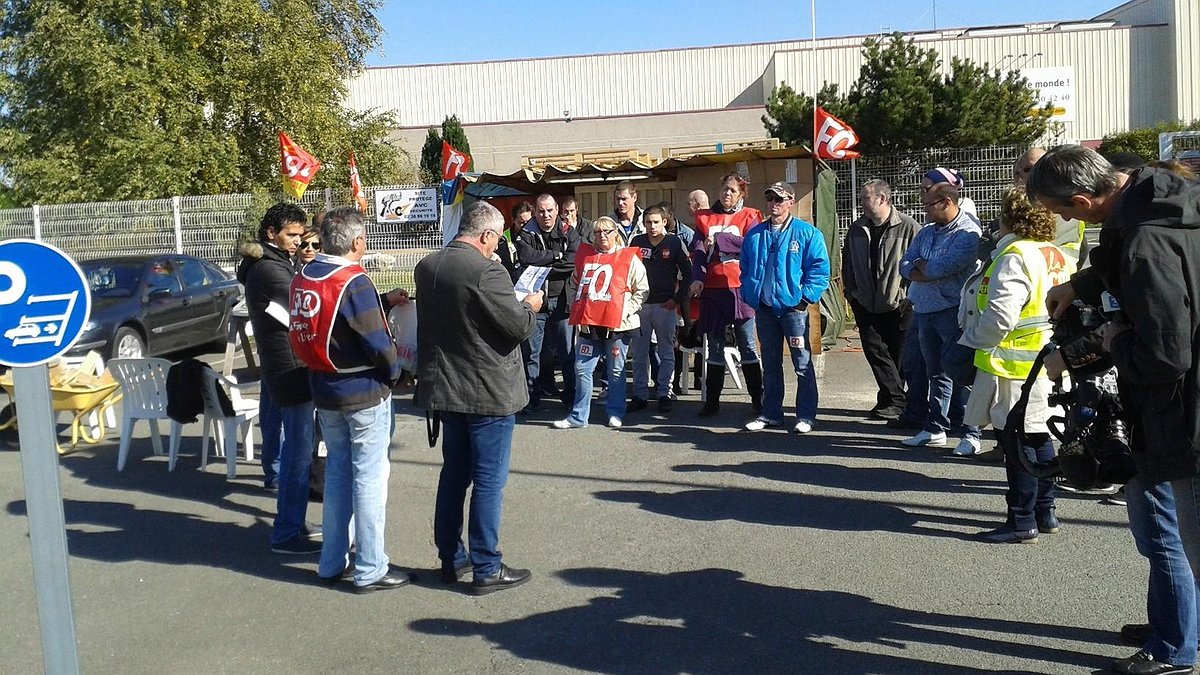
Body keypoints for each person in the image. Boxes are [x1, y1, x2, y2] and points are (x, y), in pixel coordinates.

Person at [1029, 145, 1200, 675]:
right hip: (1174, 411)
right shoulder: (1157, 203)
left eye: (1065, 212)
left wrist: (1113, 336)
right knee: (1168, 532)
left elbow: (1166, 354)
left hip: (1182, 416)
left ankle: (1177, 646)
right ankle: (1174, 630)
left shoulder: (1145, 242)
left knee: (1179, 538)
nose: (1063, 221)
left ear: (1085, 197)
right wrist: (1079, 284)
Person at [415, 201, 542, 596]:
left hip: (446, 389)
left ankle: (450, 557)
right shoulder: (487, 269)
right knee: (488, 481)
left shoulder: (427, 266)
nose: (497, 246)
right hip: (487, 392)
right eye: (496, 239)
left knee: (454, 475)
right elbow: (517, 326)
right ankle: (487, 566)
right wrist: (529, 305)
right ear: (487, 235)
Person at [289, 207, 411, 593]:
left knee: (339, 476)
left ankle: (331, 561)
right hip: (362, 391)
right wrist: (395, 373)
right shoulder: (353, 281)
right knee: (370, 480)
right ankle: (371, 567)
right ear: (358, 242)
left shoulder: (304, 275)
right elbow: (378, 342)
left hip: (323, 388)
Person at [958, 187, 1075, 542]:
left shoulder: (1014, 254)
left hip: (1016, 366)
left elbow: (1000, 314)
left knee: (1018, 446)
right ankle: (1045, 511)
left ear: (1009, 216)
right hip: (1051, 361)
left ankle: (1021, 520)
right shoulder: (1056, 253)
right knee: (1040, 438)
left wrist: (971, 339)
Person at [235, 203, 319, 554]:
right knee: (297, 456)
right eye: (292, 235)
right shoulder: (270, 269)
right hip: (289, 368)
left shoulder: (270, 264)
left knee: (293, 450)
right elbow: (307, 301)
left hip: (283, 366)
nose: (298, 242)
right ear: (271, 233)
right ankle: (286, 532)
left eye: (301, 235)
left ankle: (293, 522)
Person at [898, 182, 983, 455]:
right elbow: (905, 263)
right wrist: (923, 268)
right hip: (924, 310)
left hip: (953, 311)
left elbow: (940, 267)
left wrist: (923, 268)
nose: (924, 210)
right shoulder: (925, 232)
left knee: (962, 372)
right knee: (935, 372)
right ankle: (936, 427)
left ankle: (971, 433)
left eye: (929, 205)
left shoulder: (967, 233)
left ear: (947, 202)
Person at [740, 181, 830, 434]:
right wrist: (750, 294)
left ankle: (806, 415)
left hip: (794, 311)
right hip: (765, 310)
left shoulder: (807, 233)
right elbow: (745, 268)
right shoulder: (755, 234)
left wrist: (804, 299)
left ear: (791, 201)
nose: (774, 204)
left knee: (802, 364)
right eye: (770, 198)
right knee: (769, 362)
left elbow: (820, 270)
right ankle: (770, 414)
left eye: (779, 199)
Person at [554, 216, 649, 429]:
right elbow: (578, 284)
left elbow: (641, 290)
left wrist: (627, 310)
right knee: (582, 368)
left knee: (616, 370)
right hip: (590, 324)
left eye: (607, 231)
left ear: (616, 233)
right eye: (598, 232)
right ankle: (578, 416)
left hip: (618, 325)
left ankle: (615, 412)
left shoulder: (628, 257)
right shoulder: (587, 257)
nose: (602, 236)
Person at [843, 179, 920, 421]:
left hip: (899, 304)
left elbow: (919, 264)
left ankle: (890, 400)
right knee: (875, 351)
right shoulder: (856, 229)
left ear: (882, 199)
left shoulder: (909, 227)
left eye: (866, 198)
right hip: (865, 303)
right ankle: (897, 400)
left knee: (897, 355)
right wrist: (852, 293)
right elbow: (847, 264)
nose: (862, 203)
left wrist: (909, 295)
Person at [689, 173, 765, 418]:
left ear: (741, 193)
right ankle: (712, 401)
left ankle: (758, 398)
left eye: (733, 190)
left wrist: (722, 239)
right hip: (714, 289)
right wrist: (697, 278)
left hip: (740, 288)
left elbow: (752, 246)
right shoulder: (705, 218)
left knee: (747, 345)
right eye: (724, 189)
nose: (727, 194)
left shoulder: (751, 216)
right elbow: (699, 252)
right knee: (715, 347)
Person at [514, 194, 580, 411]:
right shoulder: (526, 233)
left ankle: (570, 399)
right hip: (535, 302)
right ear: (536, 212)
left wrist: (544, 265)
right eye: (541, 211)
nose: (546, 215)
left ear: (557, 209)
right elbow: (526, 258)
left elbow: (572, 261)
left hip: (562, 301)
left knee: (567, 354)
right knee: (531, 354)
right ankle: (531, 401)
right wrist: (555, 255)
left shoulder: (568, 231)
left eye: (550, 210)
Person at [628, 205, 691, 414]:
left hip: (666, 306)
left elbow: (688, 273)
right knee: (638, 354)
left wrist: (677, 298)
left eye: (656, 222)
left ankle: (664, 393)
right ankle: (639, 395)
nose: (652, 226)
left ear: (664, 222)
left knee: (666, 352)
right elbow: (627, 271)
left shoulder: (674, 242)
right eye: (648, 222)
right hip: (641, 307)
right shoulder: (637, 242)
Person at [1012, 147, 1088, 263]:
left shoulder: (1062, 203)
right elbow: (985, 247)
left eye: (1030, 169)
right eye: (1019, 172)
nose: (1020, 177)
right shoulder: (1014, 206)